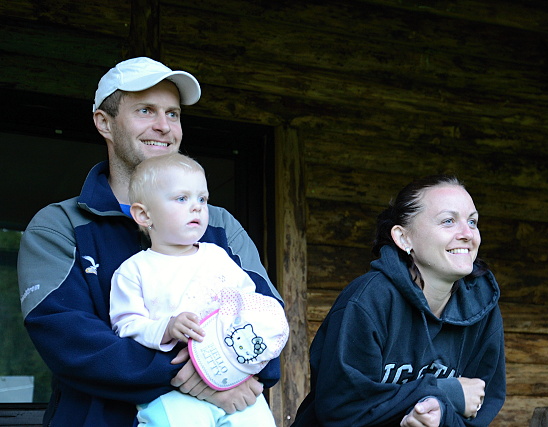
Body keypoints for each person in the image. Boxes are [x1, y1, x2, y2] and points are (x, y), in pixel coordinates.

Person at [17, 57, 283, 426]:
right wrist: (202, 376)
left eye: (173, 114)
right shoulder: (59, 225)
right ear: (104, 122)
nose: (164, 126)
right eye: (146, 110)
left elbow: (266, 315)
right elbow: (67, 338)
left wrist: (226, 370)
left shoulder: (219, 224)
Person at [293, 175, 506, 427]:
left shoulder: (481, 305)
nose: (467, 234)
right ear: (404, 238)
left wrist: (438, 415)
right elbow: (341, 408)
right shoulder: (368, 300)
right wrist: (443, 392)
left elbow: (477, 411)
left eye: (472, 221)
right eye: (448, 221)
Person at [109, 153, 289, 426]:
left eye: (202, 199)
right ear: (144, 215)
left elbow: (250, 304)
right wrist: (167, 328)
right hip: (173, 392)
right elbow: (126, 325)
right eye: (182, 198)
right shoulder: (134, 270)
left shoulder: (218, 256)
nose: (196, 207)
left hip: (233, 377)